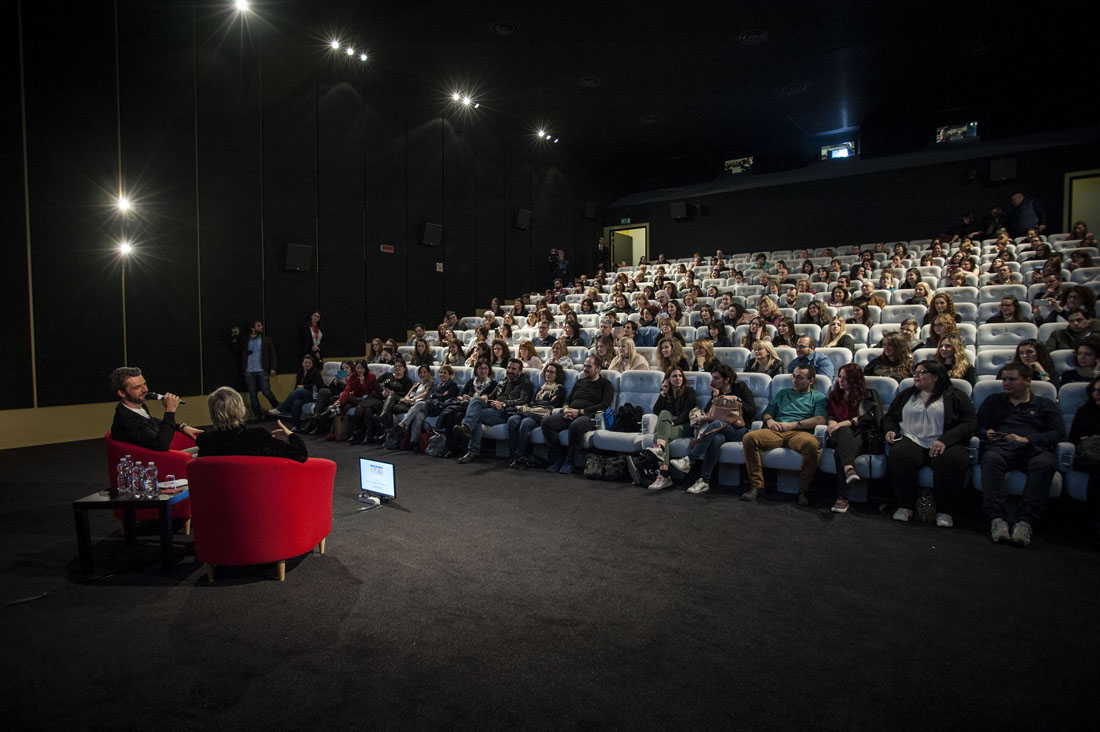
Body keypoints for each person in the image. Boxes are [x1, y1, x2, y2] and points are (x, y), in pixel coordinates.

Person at [977, 362, 1065, 547]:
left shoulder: (1044, 405)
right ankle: (997, 518)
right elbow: (978, 427)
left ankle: (1026, 522)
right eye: (1004, 379)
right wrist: (987, 433)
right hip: (1001, 446)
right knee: (991, 459)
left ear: (1027, 381)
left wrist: (1028, 439)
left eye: (1012, 379)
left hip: (1032, 447)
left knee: (1043, 465)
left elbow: (1058, 433)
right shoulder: (994, 401)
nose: (1006, 383)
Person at [883, 360, 975, 527]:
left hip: (944, 440)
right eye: (915, 372)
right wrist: (890, 429)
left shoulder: (956, 396)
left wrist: (945, 440)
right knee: (900, 454)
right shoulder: (907, 394)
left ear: (936, 376)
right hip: (912, 438)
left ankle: (945, 510)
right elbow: (890, 417)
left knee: (953, 459)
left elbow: (969, 423)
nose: (916, 375)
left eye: (922, 372)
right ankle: (905, 505)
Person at [740, 365, 827, 505]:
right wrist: (770, 420)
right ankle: (757, 486)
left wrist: (793, 425)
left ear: (811, 381)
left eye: (799, 377)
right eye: (793, 376)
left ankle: (804, 490)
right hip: (777, 430)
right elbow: (768, 412)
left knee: (812, 445)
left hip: (800, 432)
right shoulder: (782, 393)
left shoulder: (818, 397)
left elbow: (820, 419)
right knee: (749, 438)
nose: (795, 380)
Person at [669, 363, 756, 495]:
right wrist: (713, 401)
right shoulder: (717, 392)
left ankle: (690, 460)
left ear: (726, 379)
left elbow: (752, 412)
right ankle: (704, 481)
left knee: (716, 425)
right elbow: (708, 413)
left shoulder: (740, 388)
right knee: (715, 439)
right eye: (712, 378)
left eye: (716, 378)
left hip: (739, 430)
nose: (712, 381)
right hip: (719, 430)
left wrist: (737, 401)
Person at [825, 364, 883, 514]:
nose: (841, 381)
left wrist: (845, 423)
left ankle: (842, 498)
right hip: (837, 434)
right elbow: (830, 416)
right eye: (840, 377)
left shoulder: (868, 394)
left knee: (840, 453)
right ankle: (849, 469)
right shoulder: (834, 395)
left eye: (846, 378)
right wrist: (832, 425)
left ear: (855, 379)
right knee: (843, 431)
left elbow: (873, 418)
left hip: (861, 435)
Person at [541, 356, 615, 474]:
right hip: (570, 413)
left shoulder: (605, 384)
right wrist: (565, 409)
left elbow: (604, 405)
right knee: (546, 422)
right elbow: (568, 400)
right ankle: (557, 458)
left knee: (576, 426)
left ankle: (569, 462)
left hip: (589, 416)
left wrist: (579, 412)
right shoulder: (579, 382)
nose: (585, 369)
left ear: (598, 369)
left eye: (589, 366)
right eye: (585, 366)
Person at [195, 386, 307, 462]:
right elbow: (300, 454)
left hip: (218, 495)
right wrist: (290, 435)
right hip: (256, 495)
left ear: (212, 413)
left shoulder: (206, 441)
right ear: (241, 409)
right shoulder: (258, 436)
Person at [455, 358, 534, 463]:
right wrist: (485, 397)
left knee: (476, 415)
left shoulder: (525, 383)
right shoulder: (503, 380)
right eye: (509, 368)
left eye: (513, 369)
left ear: (520, 371)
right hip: (493, 407)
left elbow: (524, 400)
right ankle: (467, 428)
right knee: (475, 400)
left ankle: (472, 450)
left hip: (506, 411)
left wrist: (504, 404)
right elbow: (492, 395)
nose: (510, 371)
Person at [109, 366, 202, 450]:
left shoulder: (136, 408)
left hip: (162, 456)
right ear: (122, 393)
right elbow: (161, 445)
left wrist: (181, 427)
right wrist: (170, 411)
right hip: (153, 461)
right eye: (137, 387)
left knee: (204, 449)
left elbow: (152, 421)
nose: (145, 390)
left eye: (144, 384)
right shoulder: (128, 419)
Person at [642, 367, 698, 490]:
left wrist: (673, 423)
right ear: (667, 379)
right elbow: (656, 411)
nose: (678, 378)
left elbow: (688, 413)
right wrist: (663, 393)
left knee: (658, 436)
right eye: (674, 376)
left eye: (680, 376)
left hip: (685, 425)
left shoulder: (689, 392)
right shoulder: (666, 394)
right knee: (664, 413)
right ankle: (662, 461)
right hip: (668, 425)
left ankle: (664, 475)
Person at [506, 362, 568, 469]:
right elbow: (532, 402)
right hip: (531, 411)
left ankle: (519, 457)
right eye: (547, 371)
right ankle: (515, 455)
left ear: (557, 375)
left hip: (542, 415)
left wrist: (541, 403)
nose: (548, 374)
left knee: (525, 423)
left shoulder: (559, 389)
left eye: (552, 372)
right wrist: (543, 402)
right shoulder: (541, 388)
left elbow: (554, 404)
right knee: (512, 420)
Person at [348, 359, 412, 445]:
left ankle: (367, 436)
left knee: (368, 410)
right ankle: (358, 434)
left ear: (404, 368)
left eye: (400, 366)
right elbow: (376, 383)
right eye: (395, 366)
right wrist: (382, 391)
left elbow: (405, 394)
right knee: (361, 409)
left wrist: (392, 393)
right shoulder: (388, 375)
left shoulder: (407, 381)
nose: (397, 368)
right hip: (377, 395)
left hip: (388, 401)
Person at [1067, 375, 1100, 543]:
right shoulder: (1084, 410)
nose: (1096, 394)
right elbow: (1073, 439)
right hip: (1087, 457)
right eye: (1094, 390)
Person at [396, 364, 460, 447]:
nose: (442, 375)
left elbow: (444, 398)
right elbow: (435, 396)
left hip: (440, 408)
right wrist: (437, 396)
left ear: (450, 375)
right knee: (418, 416)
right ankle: (414, 442)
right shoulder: (438, 385)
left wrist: (435, 396)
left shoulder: (452, 386)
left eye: (445, 373)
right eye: (440, 373)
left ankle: (402, 424)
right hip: (432, 406)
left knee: (419, 404)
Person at [268, 353, 326, 429]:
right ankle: (295, 426)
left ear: (312, 364)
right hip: (303, 394)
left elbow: (319, 386)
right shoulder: (300, 372)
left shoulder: (315, 373)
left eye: (309, 363)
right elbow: (297, 386)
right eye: (306, 362)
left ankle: (280, 409)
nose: (307, 364)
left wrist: (304, 386)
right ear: (302, 363)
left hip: (314, 394)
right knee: (296, 402)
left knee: (298, 391)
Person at [238, 320, 279, 418]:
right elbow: (238, 350)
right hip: (249, 370)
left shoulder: (266, 340)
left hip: (262, 370)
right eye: (258, 326)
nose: (261, 327)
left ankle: (278, 408)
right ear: (253, 328)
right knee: (253, 394)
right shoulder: (246, 340)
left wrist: (273, 368)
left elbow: (272, 354)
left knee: (266, 391)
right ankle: (258, 415)